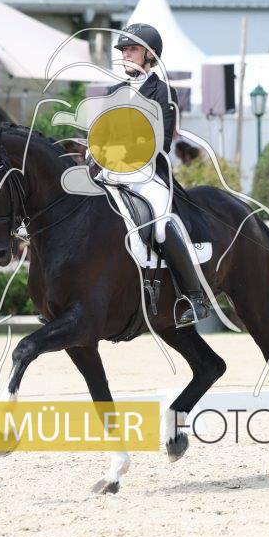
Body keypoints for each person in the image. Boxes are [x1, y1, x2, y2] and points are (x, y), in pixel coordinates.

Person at [104, 23, 210, 326]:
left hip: (147, 175)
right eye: (124, 50)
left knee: (161, 226)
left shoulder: (163, 92)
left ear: (149, 55)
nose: (126, 54)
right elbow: (102, 134)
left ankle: (195, 297)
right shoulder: (113, 93)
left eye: (132, 49)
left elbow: (162, 141)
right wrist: (93, 152)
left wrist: (126, 152)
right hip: (111, 173)